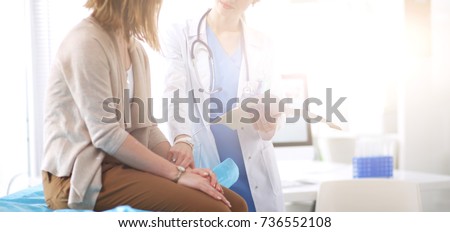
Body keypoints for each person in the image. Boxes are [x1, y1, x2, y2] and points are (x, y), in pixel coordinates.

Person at [41, 0, 247, 212]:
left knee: (237, 205)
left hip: (117, 166)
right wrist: (177, 174)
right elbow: (107, 135)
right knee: (217, 211)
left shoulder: (135, 50)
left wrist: (181, 166)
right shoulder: (86, 42)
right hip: (79, 176)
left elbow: (146, 126)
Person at [161, 0, 285, 211]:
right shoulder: (180, 35)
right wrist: (182, 138)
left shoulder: (263, 44)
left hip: (253, 168)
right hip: (207, 163)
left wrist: (271, 123)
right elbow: (174, 91)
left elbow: (274, 97)